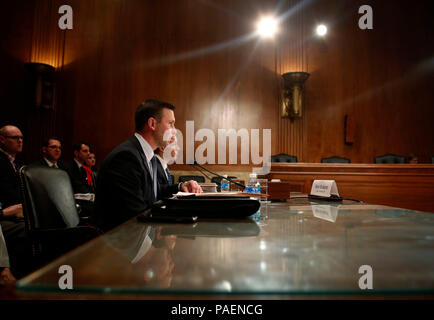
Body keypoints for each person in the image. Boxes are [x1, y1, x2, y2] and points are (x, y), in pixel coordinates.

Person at [94, 99, 202, 231]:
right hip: (120, 243)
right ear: (152, 124)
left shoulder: (147, 156)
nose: (174, 131)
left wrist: (180, 186)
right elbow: (136, 214)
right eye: (170, 124)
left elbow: (152, 192)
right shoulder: (126, 158)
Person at [0, 125, 32, 278]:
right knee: (31, 229)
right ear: (2, 140)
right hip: (5, 217)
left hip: (17, 213)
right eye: (15, 138)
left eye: (21, 138)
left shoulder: (16, 164)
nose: (20, 141)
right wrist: (6, 212)